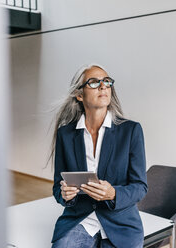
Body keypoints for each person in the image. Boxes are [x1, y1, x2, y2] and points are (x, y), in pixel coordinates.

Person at [49, 63, 148, 248]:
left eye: (107, 81)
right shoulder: (66, 134)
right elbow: (57, 187)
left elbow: (140, 187)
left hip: (121, 225)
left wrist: (113, 193)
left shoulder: (131, 131)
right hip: (81, 220)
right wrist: (65, 195)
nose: (103, 86)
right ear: (79, 95)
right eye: (94, 82)